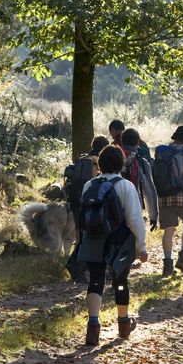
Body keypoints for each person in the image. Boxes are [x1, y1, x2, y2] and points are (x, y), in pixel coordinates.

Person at [74, 145, 148, 346]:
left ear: (101, 163)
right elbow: (134, 219)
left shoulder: (90, 185)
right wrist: (142, 247)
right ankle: (124, 324)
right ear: (120, 164)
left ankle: (93, 327)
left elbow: (83, 214)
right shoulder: (126, 186)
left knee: (95, 281)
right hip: (119, 241)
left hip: (93, 239)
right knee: (121, 280)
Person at [153, 126, 183, 276]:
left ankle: (167, 265)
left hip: (165, 197)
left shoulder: (163, 153)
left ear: (174, 139)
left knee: (168, 231)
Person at [119, 128, 159, 230]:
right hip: (133, 206)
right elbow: (149, 191)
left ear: (121, 141)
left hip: (113, 206)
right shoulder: (141, 161)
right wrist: (153, 216)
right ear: (137, 143)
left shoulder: (113, 157)